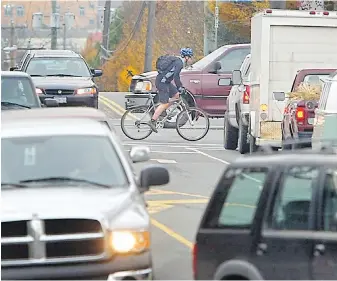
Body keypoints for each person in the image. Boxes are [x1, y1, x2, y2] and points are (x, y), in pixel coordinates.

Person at [148, 47, 194, 132]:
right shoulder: (179, 63)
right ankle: (153, 121)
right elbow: (176, 76)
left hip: (166, 82)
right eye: (191, 57)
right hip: (162, 83)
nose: (191, 59)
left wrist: (179, 87)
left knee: (176, 96)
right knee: (165, 103)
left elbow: (174, 76)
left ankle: (161, 108)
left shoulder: (178, 61)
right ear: (186, 57)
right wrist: (180, 87)